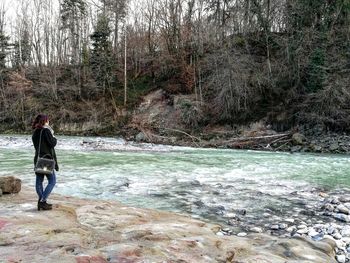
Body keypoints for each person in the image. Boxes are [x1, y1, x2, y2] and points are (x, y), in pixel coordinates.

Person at [32, 114, 59, 211]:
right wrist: (53, 134)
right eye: (48, 120)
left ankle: (41, 201)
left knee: (39, 181)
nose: (49, 122)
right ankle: (42, 201)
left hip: (38, 159)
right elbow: (52, 143)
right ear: (44, 121)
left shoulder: (35, 132)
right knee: (52, 181)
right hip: (46, 160)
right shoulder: (46, 131)